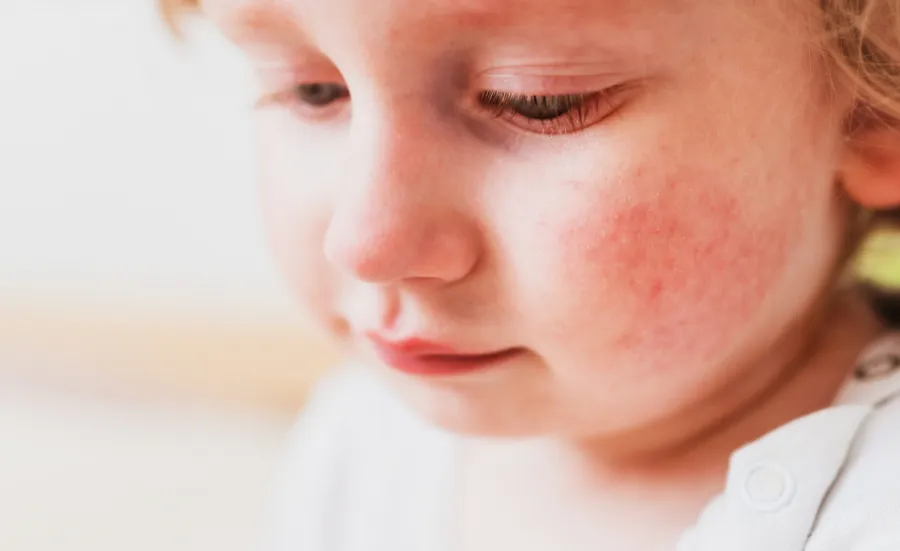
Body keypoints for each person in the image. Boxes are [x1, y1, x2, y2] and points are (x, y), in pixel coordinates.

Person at [164, 1, 900, 549]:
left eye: (535, 99)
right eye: (311, 91)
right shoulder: (365, 439)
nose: (365, 243)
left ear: (875, 107)